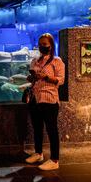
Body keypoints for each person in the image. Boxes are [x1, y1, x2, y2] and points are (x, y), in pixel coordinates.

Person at [25, 33, 65, 171]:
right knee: (37, 128)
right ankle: (38, 153)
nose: (42, 47)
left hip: (49, 99)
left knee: (52, 130)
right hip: (35, 98)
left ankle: (54, 159)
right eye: (40, 44)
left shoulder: (57, 61)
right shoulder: (35, 60)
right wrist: (31, 78)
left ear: (51, 45)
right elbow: (32, 77)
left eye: (45, 44)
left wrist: (46, 77)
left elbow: (60, 80)